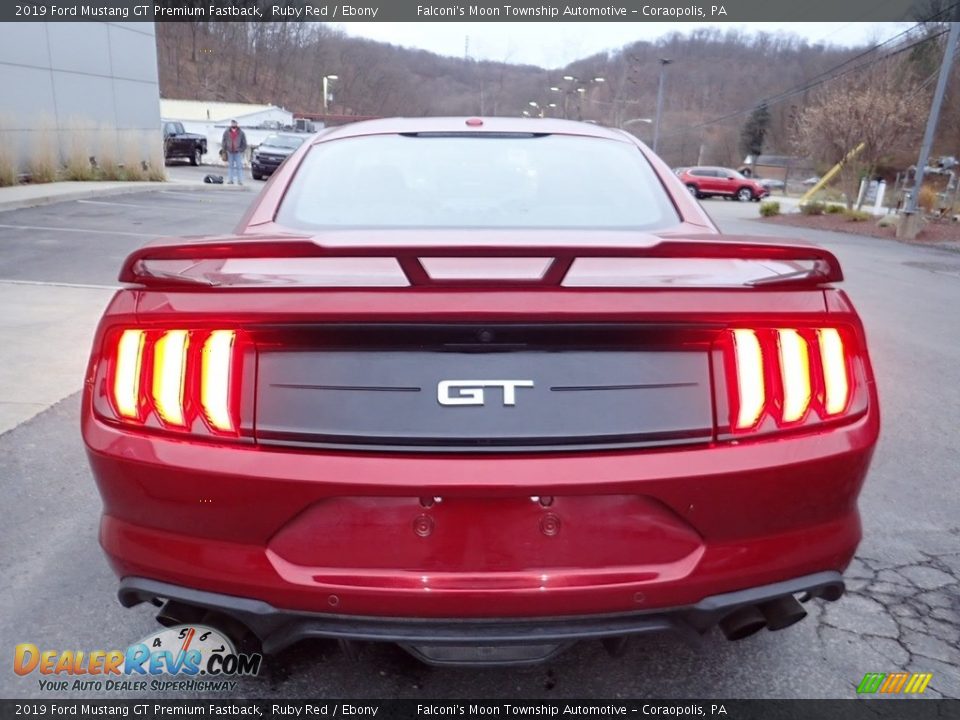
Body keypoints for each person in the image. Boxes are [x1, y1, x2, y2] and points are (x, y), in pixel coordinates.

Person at [220, 120, 248, 185]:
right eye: (232, 122)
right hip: (230, 152)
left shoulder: (241, 132)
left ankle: (240, 181)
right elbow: (224, 141)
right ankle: (230, 180)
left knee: (239, 167)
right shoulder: (226, 132)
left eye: (234, 122)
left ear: (237, 123)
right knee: (230, 167)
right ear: (231, 123)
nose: (233, 124)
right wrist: (224, 150)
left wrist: (241, 150)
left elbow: (244, 143)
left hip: (238, 152)